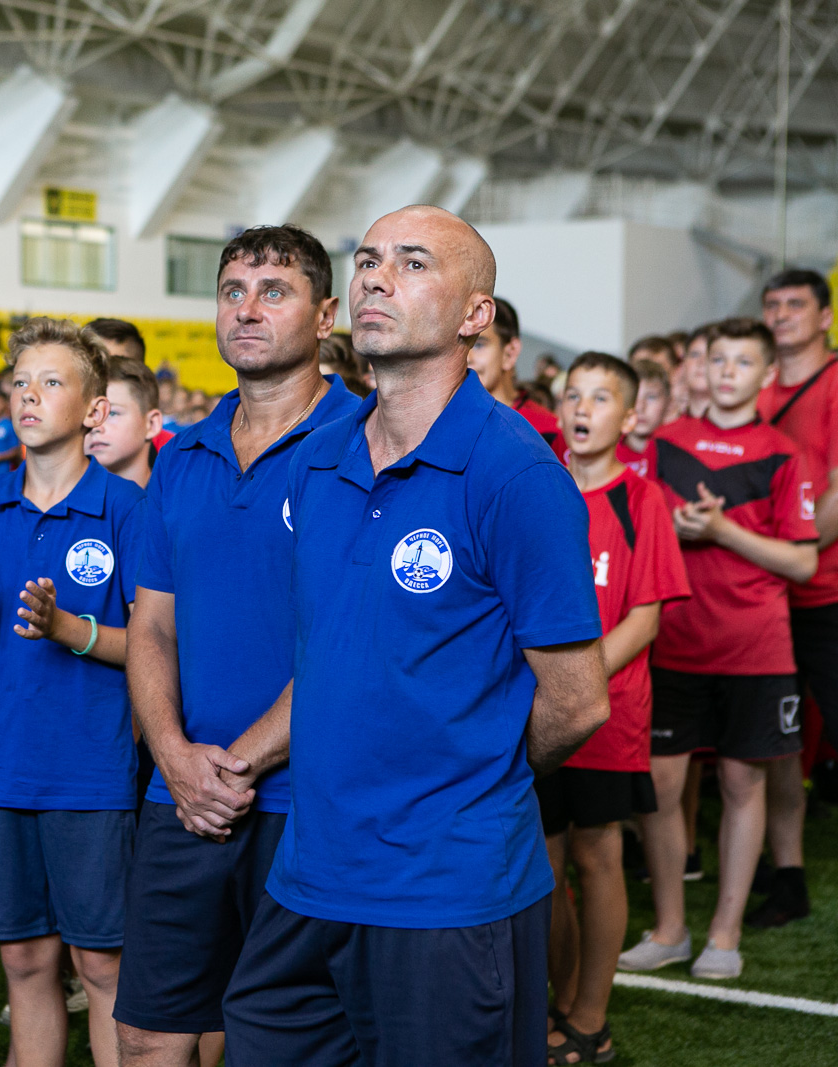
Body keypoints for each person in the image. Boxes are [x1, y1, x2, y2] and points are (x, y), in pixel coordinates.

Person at [220, 206, 608, 1066]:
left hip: (447, 891)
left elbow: (578, 703)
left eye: (413, 262)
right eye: (367, 260)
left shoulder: (516, 474)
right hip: (310, 877)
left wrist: (468, 776)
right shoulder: (317, 458)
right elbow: (330, 654)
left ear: (476, 315)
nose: (375, 277)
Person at [115, 225, 359, 1067]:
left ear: (325, 315)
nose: (247, 309)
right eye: (232, 291)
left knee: (280, 1044)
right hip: (181, 793)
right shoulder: (182, 456)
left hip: (306, 802)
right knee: (147, 1033)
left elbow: (347, 643)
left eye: (274, 291)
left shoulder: (366, 445)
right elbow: (152, 624)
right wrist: (174, 757)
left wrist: (231, 769)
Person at [0, 317, 143, 1067]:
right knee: (24, 961)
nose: (29, 396)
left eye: (51, 382)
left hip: (90, 774)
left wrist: (68, 628)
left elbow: (156, 647)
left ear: (93, 410)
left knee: (102, 966)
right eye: (20, 383)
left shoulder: (128, 508)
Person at [622, 317, 818, 980]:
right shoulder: (663, 444)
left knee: (741, 783)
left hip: (755, 648)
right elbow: (634, 530)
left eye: (742, 361)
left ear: (768, 375)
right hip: (673, 640)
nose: (728, 372)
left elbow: (802, 562)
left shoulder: (783, 453)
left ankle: (725, 935)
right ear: (702, 368)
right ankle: (670, 929)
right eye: (718, 359)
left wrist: (722, 530)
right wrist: (672, 529)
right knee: (661, 786)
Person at [541, 353, 690, 1065]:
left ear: (629, 418)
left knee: (597, 855)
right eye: (574, 394)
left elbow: (646, 618)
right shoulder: (539, 487)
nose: (583, 408)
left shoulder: (642, 497)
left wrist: (574, 679)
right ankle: (562, 997)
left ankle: (591, 1018)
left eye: (601, 398)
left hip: (608, 712)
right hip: (537, 715)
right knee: (542, 866)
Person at [751, 269, 838, 928]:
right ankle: (788, 876)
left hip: (826, 592)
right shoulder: (757, 388)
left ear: (826, 315)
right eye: (772, 304)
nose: (781, 315)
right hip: (766, 595)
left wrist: (789, 547)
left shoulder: (833, 383)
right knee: (777, 745)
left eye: (795, 304)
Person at [466, 296, 558, 446]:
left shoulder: (547, 431)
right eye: (461, 344)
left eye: (478, 345)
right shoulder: (444, 417)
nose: (467, 357)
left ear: (510, 352)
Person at [86, 357, 163, 490]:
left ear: (152, 424)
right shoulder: (60, 498)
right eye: (88, 414)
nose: (95, 427)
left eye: (112, 413)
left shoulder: (176, 500)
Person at [625, 360, 671, 475]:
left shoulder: (679, 454)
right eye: (634, 397)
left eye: (651, 397)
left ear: (668, 402)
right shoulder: (606, 455)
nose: (640, 407)